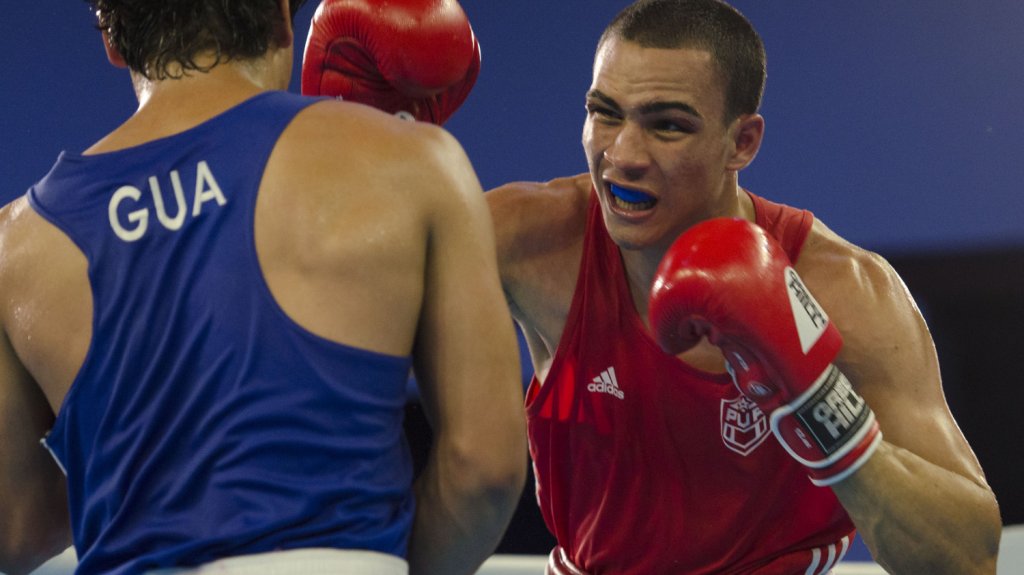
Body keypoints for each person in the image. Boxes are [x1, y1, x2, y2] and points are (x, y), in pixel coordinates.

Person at [303, 0, 1002, 573]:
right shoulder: (531, 241)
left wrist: (819, 403)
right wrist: (359, 149)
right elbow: (315, 307)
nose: (623, 156)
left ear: (743, 141)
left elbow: (967, 555)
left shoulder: (842, 288)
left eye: (667, 124)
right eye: (605, 113)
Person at [0, 0, 526, 574]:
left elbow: (15, 529)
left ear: (112, 38)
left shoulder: (17, 244)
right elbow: (485, 469)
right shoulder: (412, 162)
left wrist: (141, 433)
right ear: (281, 14)